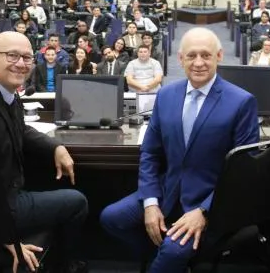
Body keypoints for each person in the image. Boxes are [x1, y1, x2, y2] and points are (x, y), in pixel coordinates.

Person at [100, 27, 259, 273]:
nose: (198, 63)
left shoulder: (242, 102)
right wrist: (150, 202)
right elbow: (150, 153)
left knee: (173, 252)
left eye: (206, 55)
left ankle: (169, 259)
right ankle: (166, 259)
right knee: (111, 218)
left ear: (219, 56)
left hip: (208, 200)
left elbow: (243, 173)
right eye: (191, 55)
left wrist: (204, 211)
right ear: (180, 58)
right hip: (168, 190)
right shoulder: (166, 95)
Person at [0, 32, 88, 272]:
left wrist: (55, 146)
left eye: (27, 58)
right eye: (12, 56)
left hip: (6, 193)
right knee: (77, 202)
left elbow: (20, 129)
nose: (21, 63)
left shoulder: (5, 90)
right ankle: (69, 266)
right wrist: (6, 238)